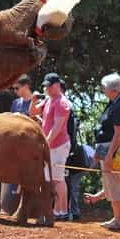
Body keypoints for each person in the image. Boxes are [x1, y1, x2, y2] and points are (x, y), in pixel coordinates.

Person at [84, 73, 120, 230]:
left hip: (114, 148)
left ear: (113, 89)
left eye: (104, 87)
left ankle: (119, 219)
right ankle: (116, 217)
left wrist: (110, 154)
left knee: (116, 181)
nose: (103, 90)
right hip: (107, 146)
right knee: (109, 181)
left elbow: (119, 133)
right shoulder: (114, 103)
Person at [30, 73, 71, 220]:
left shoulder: (61, 102)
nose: (46, 89)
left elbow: (58, 127)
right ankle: (56, 210)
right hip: (51, 144)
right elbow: (33, 112)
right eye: (45, 86)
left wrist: (46, 143)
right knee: (51, 178)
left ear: (57, 85)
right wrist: (33, 100)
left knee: (58, 179)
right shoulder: (49, 99)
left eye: (49, 86)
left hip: (58, 145)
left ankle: (62, 211)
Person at [0, 74, 34, 214]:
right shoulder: (16, 103)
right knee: (8, 174)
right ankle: (5, 208)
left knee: (26, 176)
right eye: (13, 88)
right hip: (14, 146)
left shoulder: (36, 102)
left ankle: (25, 209)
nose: (15, 90)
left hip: (30, 146)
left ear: (26, 86)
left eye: (17, 88)